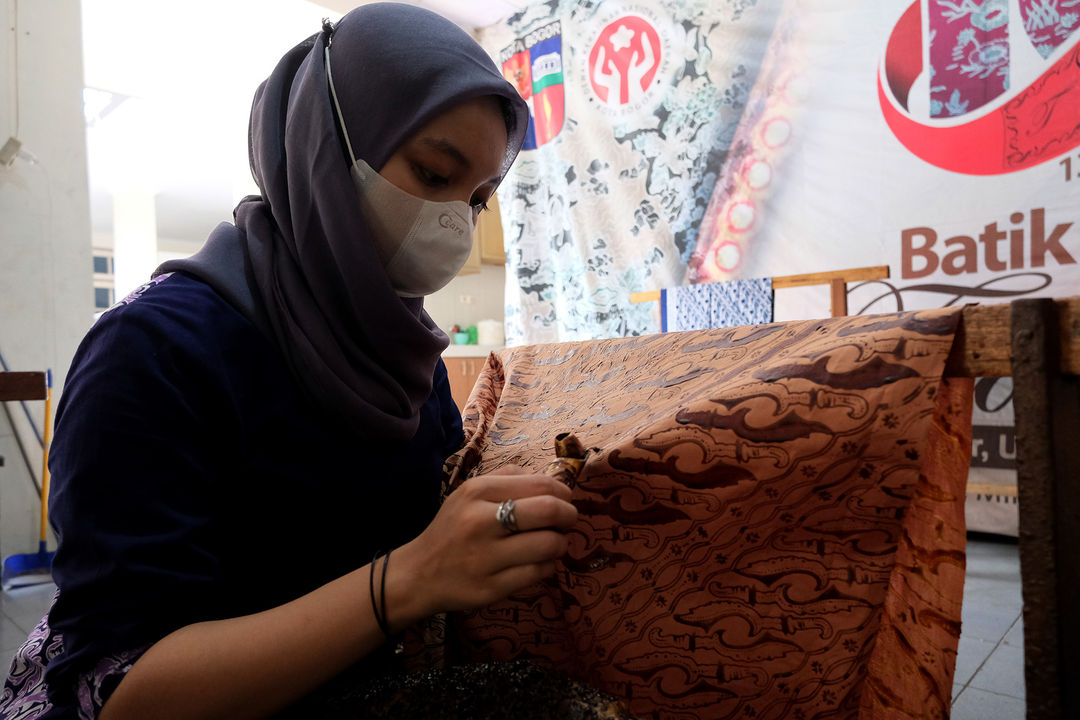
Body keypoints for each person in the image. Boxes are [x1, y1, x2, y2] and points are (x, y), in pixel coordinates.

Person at [0, 4, 577, 719]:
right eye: (433, 172)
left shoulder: (409, 364)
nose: (455, 223)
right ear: (324, 148)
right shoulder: (155, 355)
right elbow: (124, 691)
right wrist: (403, 583)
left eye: (479, 199)